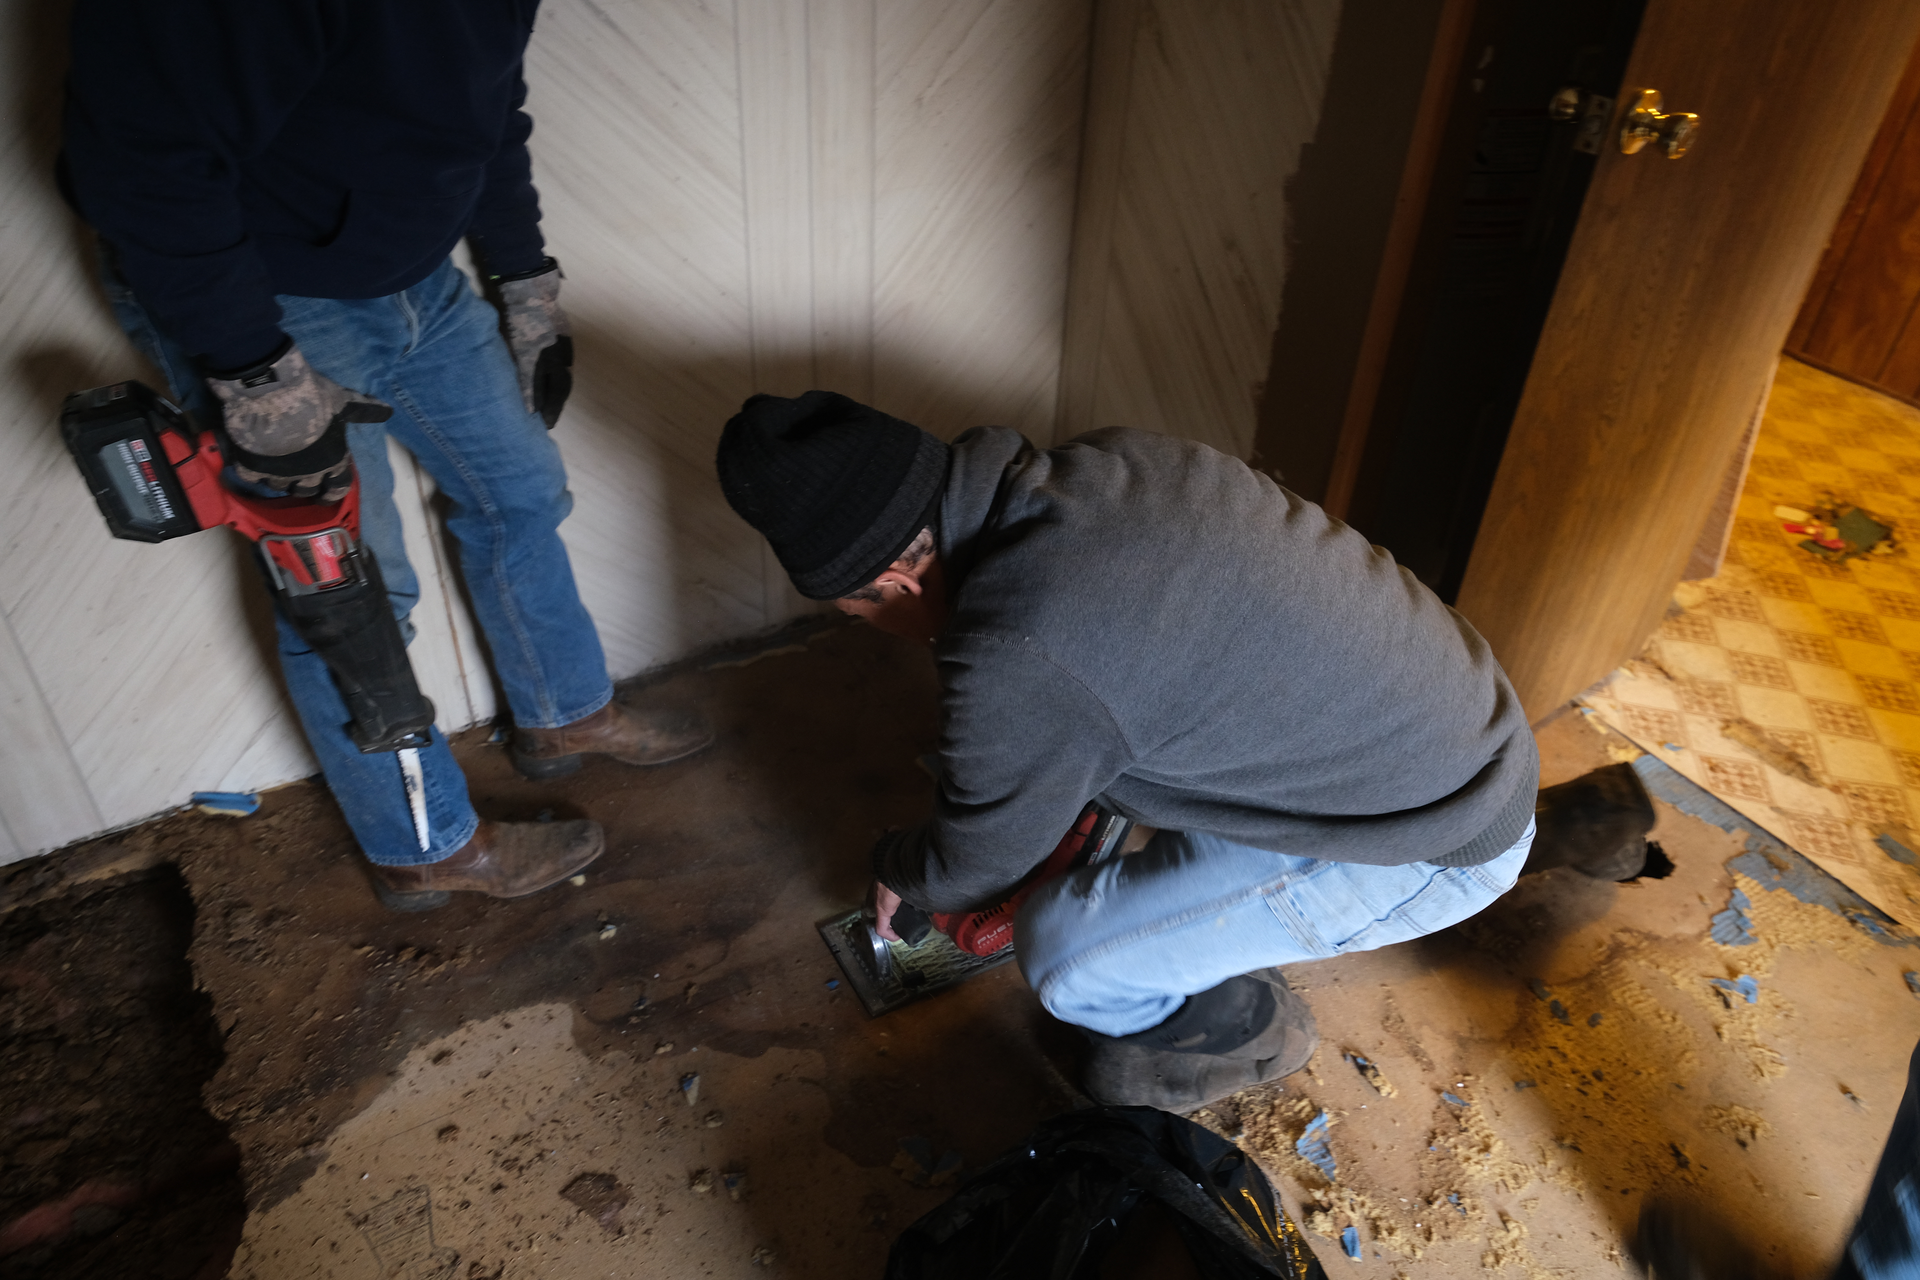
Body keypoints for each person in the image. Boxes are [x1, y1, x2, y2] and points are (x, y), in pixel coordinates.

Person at [715, 390, 1650, 1110]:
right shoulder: (1110, 461)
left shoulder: (1018, 649)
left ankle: (1245, 1029)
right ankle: (1563, 819)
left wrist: (905, 869)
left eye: (854, 615)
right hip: (1465, 722)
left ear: (890, 581)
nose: (869, 630)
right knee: (1091, 770)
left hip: (1428, 836)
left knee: (1071, 961)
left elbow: (975, 861)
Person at [60, 0, 710, 910]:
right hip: (264, 304)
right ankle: (426, 847)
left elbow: (491, 109)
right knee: (347, 591)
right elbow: (140, 165)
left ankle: (565, 716)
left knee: (520, 492)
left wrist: (525, 281)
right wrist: (255, 377)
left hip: (417, 278)